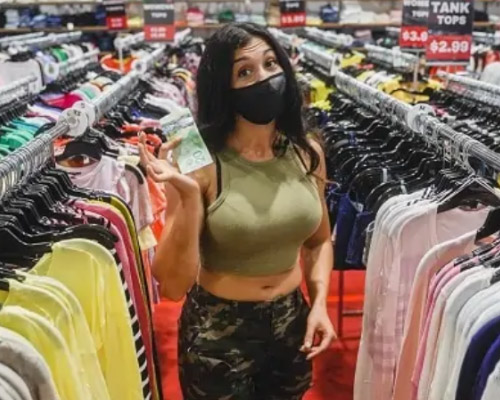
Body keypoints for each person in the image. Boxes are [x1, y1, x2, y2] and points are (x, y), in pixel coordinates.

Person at [139, 22, 336, 400]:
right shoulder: (198, 159)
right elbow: (173, 284)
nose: (264, 78)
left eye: (270, 64)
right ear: (222, 87)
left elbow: (319, 241)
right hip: (218, 333)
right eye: (245, 71)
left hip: (291, 323)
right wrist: (190, 198)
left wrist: (320, 303)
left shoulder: (306, 151)